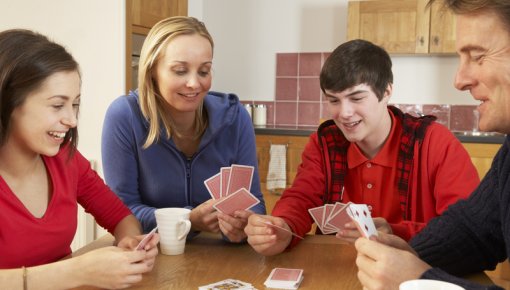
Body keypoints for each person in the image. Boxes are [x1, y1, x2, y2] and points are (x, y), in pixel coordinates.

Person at [244, 39, 480, 256]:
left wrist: (396, 232)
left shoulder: (435, 143)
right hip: (336, 269)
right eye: (334, 100)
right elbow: (301, 197)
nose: (344, 113)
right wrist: (283, 225)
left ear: (386, 92)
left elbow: (465, 231)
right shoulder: (323, 143)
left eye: (356, 98)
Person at [354, 1, 510, 289]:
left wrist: (421, 281)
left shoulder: (433, 139)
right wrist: (411, 254)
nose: (459, 80)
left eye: (477, 56)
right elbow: (474, 229)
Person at [0, 29, 159, 289]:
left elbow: (120, 217)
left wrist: (130, 242)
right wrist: (77, 272)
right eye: (56, 105)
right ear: (7, 103)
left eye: (74, 104)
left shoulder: (66, 159)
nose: (72, 121)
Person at [101, 16, 265, 243]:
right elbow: (122, 212)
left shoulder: (236, 118)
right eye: (180, 71)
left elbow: (254, 202)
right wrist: (187, 219)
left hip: (218, 257)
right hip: (151, 254)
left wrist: (245, 223)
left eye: (204, 71)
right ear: (152, 71)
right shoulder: (124, 116)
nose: (194, 84)